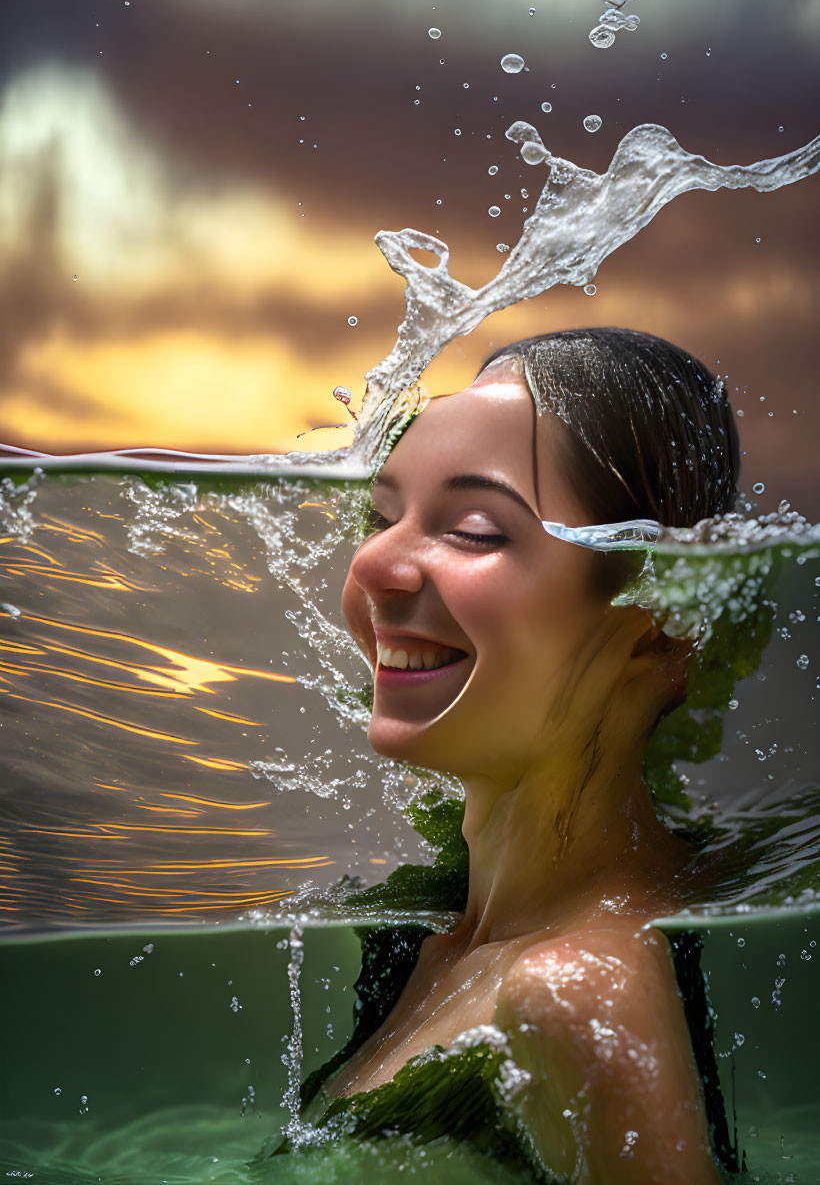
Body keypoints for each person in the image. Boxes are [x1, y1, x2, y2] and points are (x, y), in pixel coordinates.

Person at [273, 328, 742, 1183]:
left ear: (659, 627)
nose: (375, 561)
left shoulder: (576, 989)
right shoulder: (433, 937)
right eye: (382, 517)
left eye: (476, 530)